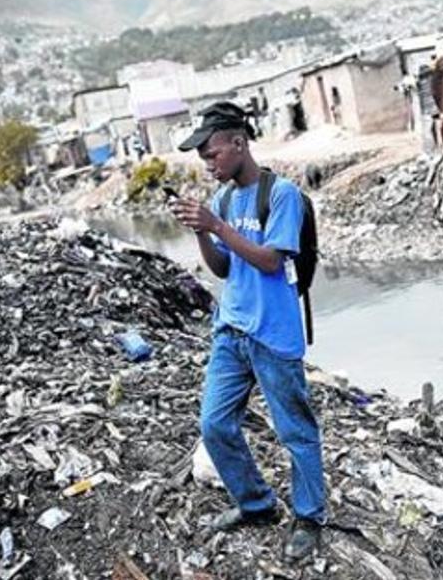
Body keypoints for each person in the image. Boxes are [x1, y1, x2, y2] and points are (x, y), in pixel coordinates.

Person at [169, 101, 324, 562]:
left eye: (213, 154)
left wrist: (215, 224)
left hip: (274, 334)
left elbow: (271, 260)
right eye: (203, 159)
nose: (209, 164)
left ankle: (309, 517)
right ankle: (256, 503)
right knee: (215, 425)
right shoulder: (221, 200)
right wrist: (201, 232)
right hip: (231, 331)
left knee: (296, 431)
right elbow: (222, 267)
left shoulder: (281, 196)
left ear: (238, 143)